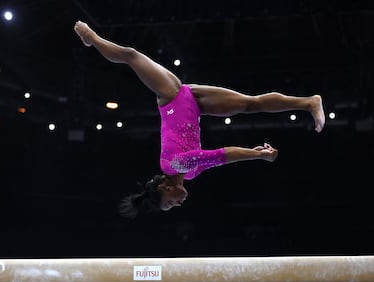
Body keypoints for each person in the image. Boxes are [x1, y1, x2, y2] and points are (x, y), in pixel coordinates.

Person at [74, 20, 325, 219]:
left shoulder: (176, 165)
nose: (178, 203)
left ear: (164, 188)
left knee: (130, 55)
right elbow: (221, 157)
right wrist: (255, 153)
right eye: (174, 206)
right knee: (251, 104)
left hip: (171, 97)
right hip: (194, 103)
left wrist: (257, 155)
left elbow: (221, 155)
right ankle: (308, 102)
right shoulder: (190, 174)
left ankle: (92, 38)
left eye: (170, 202)